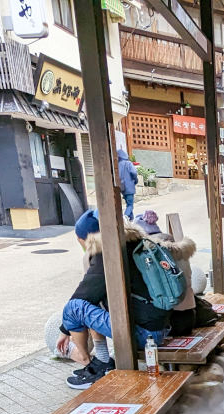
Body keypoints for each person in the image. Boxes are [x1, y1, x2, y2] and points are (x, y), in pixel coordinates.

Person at [57, 220, 172, 390]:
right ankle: (102, 361)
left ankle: (93, 367)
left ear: (88, 239)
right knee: (93, 305)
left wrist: (64, 331)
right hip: (162, 327)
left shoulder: (108, 252)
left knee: (73, 309)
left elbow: (84, 295)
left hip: (145, 334)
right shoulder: (136, 244)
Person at [117, 148, 138, 220]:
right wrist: (135, 180)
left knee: (128, 203)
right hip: (129, 186)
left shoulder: (118, 165)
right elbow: (134, 172)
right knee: (130, 205)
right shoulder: (128, 163)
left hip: (122, 187)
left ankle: (131, 219)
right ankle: (125, 217)